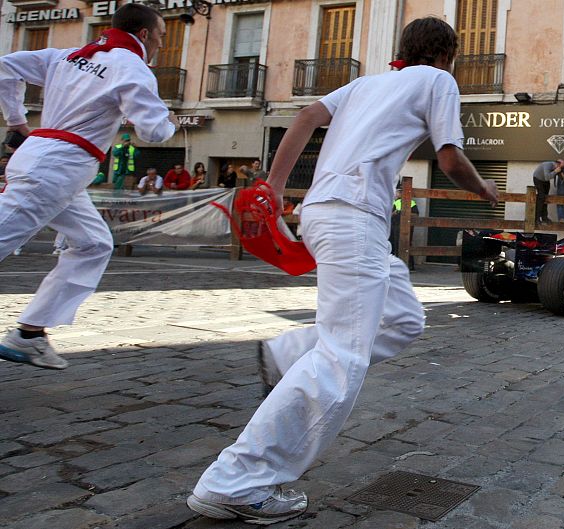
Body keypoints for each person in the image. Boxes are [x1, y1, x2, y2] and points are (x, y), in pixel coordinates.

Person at [186, 17, 499, 525]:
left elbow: (306, 116)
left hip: (329, 213)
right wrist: (484, 189)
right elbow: (449, 158)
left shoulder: (366, 84)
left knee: (403, 320)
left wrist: (275, 185)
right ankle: (237, 481)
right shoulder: (438, 79)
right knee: (342, 358)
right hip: (353, 216)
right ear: (448, 55)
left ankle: (287, 354)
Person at [0, 3, 179, 370]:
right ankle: (28, 336)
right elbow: (153, 131)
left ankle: (29, 335)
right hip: (60, 166)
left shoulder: (67, 55)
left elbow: (5, 66)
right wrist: (170, 121)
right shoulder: (132, 67)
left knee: (94, 244)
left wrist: (17, 120)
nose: (161, 44)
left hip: (50, 160)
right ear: (145, 34)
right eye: (161, 36)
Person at [389, 187, 419, 270]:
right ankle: (396, 265)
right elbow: (390, 215)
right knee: (395, 244)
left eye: (398, 192)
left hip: (406, 227)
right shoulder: (396, 202)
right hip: (395, 226)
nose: (397, 194)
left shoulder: (412, 203)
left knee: (406, 245)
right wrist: (395, 213)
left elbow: (416, 215)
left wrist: (405, 213)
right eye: (397, 192)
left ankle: (410, 265)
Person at [532, 159, 564, 224]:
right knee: (541, 197)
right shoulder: (547, 165)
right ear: (557, 164)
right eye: (561, 166)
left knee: (546, 198)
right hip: (538, 179)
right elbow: (547, 177)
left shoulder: (556, 167)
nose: (562, 168)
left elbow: (562, 179)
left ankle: (544, 217)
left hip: (545, 181)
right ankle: (536, 218)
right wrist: (555, 171)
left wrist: (562, 173)